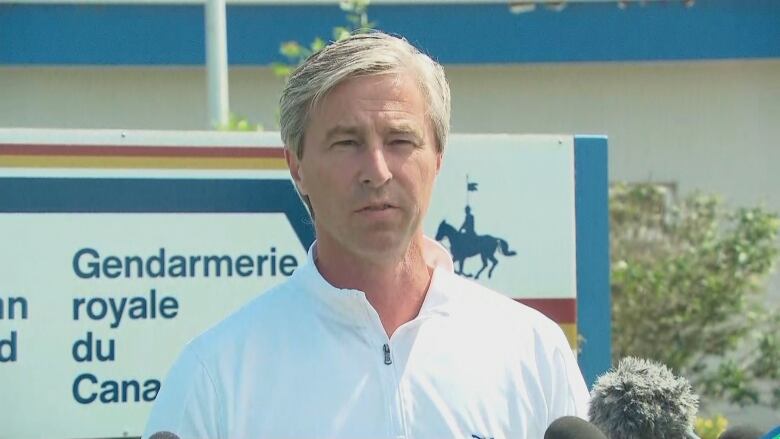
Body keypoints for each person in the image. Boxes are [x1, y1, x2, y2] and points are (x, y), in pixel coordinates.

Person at [143, 31, 589, 439]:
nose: (377, 172)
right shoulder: (217, 373)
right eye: (347, 143)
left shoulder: (532, 351)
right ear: (296, 167)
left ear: (437, 158)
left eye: (400, 141)